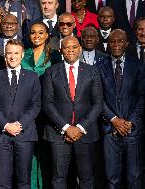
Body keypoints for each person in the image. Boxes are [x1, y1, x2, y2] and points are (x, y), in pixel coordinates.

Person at [43, 36, 103, 189]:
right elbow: (47, 103)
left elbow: (98, 103)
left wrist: (80, 128)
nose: (70, 50)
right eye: (66, 47)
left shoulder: (92, 71)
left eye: (74, 47)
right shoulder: (51, 72)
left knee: (87, 178)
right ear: (61, 50)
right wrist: (66, 128)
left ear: (80, 48)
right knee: (58, 178)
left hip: (86, 134)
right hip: (59, 134)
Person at [0, 39, 41, 189]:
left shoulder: (32, 77)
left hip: (25, 135)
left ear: (22, 55)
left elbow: (36, 105)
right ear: (5, 55)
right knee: (3, 182)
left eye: (16, 53)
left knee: (24, 181)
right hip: (1, 135)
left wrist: (19, 124)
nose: (12, 56)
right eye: (9, 53)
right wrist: (6, 125)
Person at [97, 29, 145, 189]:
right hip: (110, 131)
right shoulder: (99, 67)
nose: (116, 44)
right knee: (112, 179)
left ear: (127, 43)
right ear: (108, 44)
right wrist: (114, 120)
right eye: (113, 41)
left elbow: (141, 97)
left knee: (134, 178)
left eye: (120, 41)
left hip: (133, 131)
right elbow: (98, 98)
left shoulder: (137, 65)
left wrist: (130, 122)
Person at [21, 21, 61, 189]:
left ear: (47, 35)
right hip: (26, 110)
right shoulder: (24, 54)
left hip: (48, 112)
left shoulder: (55, 56)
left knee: (46, 154)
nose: (36, 36)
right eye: (33, 33)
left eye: (40, 32)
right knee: (29, 154)